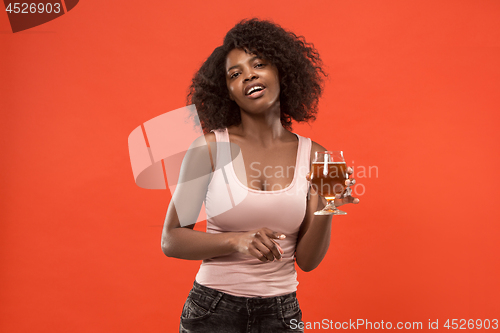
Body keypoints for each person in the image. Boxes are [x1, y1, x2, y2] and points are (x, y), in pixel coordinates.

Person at [161, 18, 359, 333]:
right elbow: (171, 239)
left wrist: (328, 205)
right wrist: (236, 241)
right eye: (235, 74)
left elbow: (307, 262)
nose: (248, 75)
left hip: (280, 314)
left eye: (259, 64)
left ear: (281, 71)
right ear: (227, 91)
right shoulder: (209, 148)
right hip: (211, 311)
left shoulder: (318, 156)